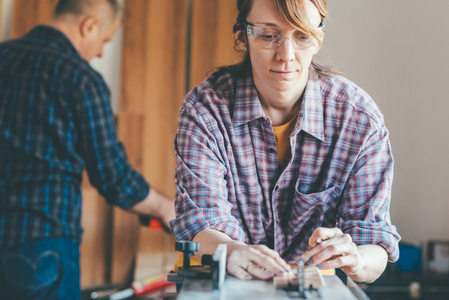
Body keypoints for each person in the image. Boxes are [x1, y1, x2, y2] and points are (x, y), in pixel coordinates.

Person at [170, 0, 400, 283]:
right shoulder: (205, 110)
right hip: (230, 285)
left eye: (302, 36)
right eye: (269, 35)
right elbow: (201, 221)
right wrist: (232, 251)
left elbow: (374, 244)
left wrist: (357, 256)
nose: (286, 55)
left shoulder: (359, 119)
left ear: (318, 38)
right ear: (243, 36)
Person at [0, 0, 175, 299]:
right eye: (104, 40)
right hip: (42, 248)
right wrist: (164, 208)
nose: (101, 52)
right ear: (89, 25)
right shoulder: (82, 80)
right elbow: (113, 177)